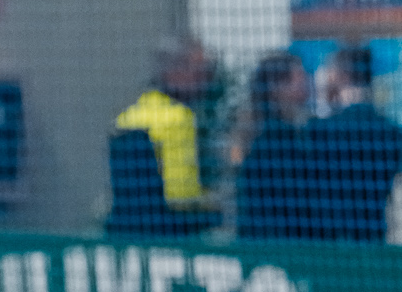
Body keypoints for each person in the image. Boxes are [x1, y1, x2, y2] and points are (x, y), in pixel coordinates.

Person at [309, 44, 402, 241]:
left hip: (328, 243)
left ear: (342, 74)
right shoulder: (391, 131)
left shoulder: (319, 131)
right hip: (374, 238)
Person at [114, 36, 217, 208]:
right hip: (170, 228)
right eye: (199, 72)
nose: (206, 81)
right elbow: (182, 194)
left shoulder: (126, 117)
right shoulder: (181, 118)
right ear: (173, 72)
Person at [235, 51, 312, 238]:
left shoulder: (290, 130)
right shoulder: (274, 138)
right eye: (299, 77)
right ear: (278, 87)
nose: (306, 82)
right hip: (278, 243)